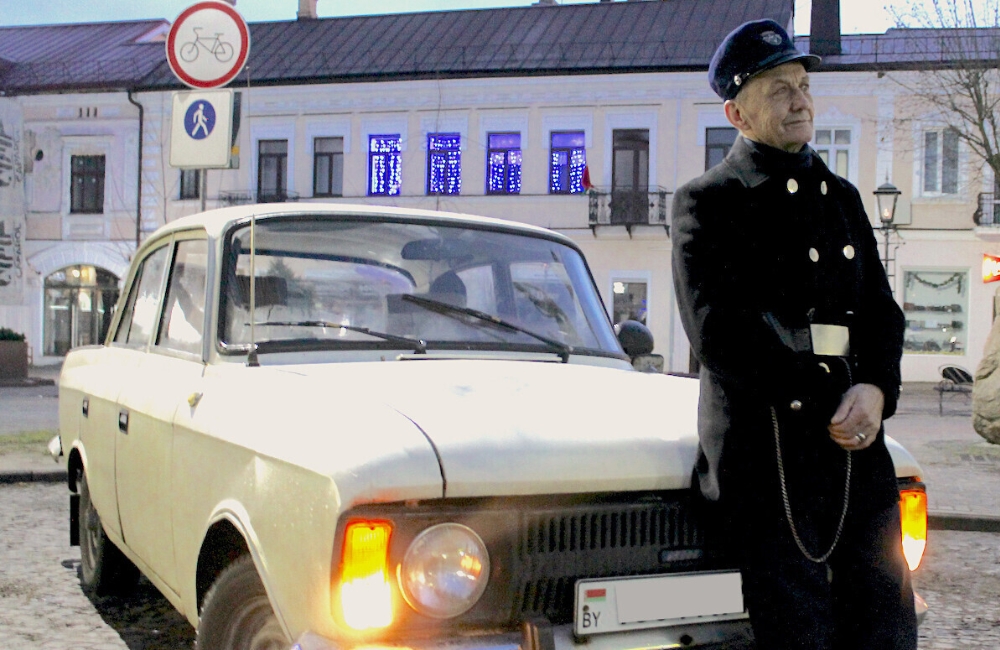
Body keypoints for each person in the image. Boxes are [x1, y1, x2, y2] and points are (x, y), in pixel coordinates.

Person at [671, 19, 917, 650]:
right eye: (778, 89)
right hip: (769, 452)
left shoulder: (842, 198)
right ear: (737, 114)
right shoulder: (709, 201)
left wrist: (875, 390)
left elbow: (881, 314)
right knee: (800, 636)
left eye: (803, 85)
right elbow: (719, 335)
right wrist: (826, 396)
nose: (800, 100)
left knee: (886, 628)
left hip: (855, 450)